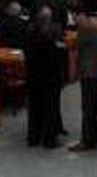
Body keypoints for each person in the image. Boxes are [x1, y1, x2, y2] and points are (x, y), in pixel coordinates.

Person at [69, 12, 97, 151]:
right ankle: (95, 135)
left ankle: (87, 140)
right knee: (95, 104)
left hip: (88, 71)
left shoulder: (84, 30)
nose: (74, 21)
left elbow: (76, 49)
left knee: (87, 107)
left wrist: (73, 73)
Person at [25, 10, 62, 148]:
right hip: (49, 79)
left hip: (33, 77)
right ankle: (49, 139)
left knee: (34, 108)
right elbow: (56, 60)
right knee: (50, 109)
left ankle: (33, 137)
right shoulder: (50, 39)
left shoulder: (30, 34)